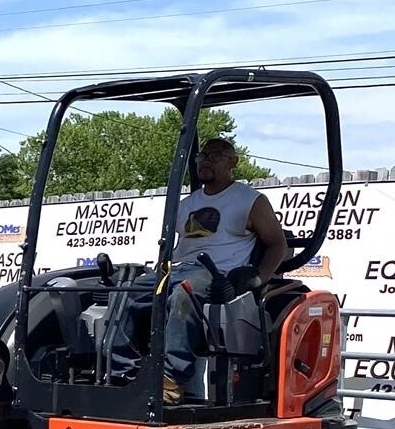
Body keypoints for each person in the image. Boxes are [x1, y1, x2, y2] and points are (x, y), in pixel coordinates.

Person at [113, 137, 289, 400]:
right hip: (178, 268)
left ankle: (171, 380)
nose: (206, 160)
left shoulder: (250, 200)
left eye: (215, 155)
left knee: (185, 293)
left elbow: (277, 244)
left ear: (233, 162)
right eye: (202, 156)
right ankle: (121, 373)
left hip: (217, 273)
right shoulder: (187, 204)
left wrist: (259, 278)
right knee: (125, 291)